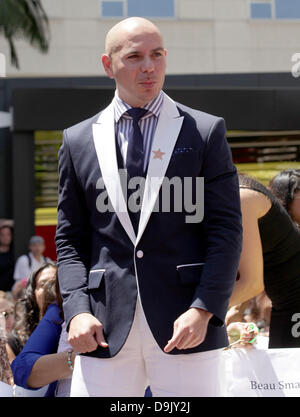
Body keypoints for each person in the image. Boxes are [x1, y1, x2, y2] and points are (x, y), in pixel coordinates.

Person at [55, 17, 242, 397]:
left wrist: (204, 308)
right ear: (108, 66)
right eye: (135, 57)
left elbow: (225, 231)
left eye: (157, 55)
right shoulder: (77, 141)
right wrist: (77, 309)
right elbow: (70, 239)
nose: (149, 67)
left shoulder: (205, 131)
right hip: (103, 329)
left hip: (187, 324)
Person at [228, 173, 300, 348]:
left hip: (289, 309)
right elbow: (250, 277)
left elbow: (252, 283)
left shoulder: (244, 199)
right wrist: (235, 313)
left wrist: (204, 310)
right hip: (283, 311)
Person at [11, 274, 74, 397]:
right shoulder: (59, 311)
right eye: (42, 283)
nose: (48, 287)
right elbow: (21, 368)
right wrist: (79, 359)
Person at [6, 262, 57, 363]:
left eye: (55, 282)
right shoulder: (15, 340)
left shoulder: (74, 330)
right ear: (33, 294)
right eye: (43, 284)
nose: (50, 288)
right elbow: (14, 377)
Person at [0, 225, 14, 292]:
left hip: (12, 293)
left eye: (8, 234)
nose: (5, 237)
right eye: (2, 235)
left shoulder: (15, 251)